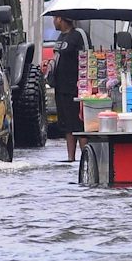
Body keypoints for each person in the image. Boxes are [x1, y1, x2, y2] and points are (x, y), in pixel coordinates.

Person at [49, 13, 87, 160]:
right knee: (67, 126)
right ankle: (70, 157)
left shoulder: (78, 35)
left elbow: (86, 55)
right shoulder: (60, 38)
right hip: (61, 87)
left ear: (60, 19)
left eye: (54, 19)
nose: (54, 22)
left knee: (79, 125)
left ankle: (85, 156)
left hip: (75, 87)